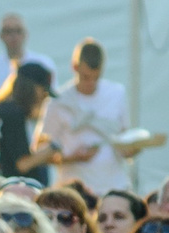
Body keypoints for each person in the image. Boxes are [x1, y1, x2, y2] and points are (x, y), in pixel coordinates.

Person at [39, 41, 129, 196]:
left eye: (96, 77)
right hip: (75, 192)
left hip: (114, 187)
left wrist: (131, 148)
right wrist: (72, 157)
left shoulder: (117, 93)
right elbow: (40, 152)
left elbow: (125, 135)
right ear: (75, 67)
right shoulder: (58, 102)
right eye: (86, 77)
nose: (91, 83)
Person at [0, 58, 55, 183]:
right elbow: (22, 164)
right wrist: (53, 147)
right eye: (44, 91)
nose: (44, 98)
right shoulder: (13, 114)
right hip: (13, 187)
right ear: (32, 89)